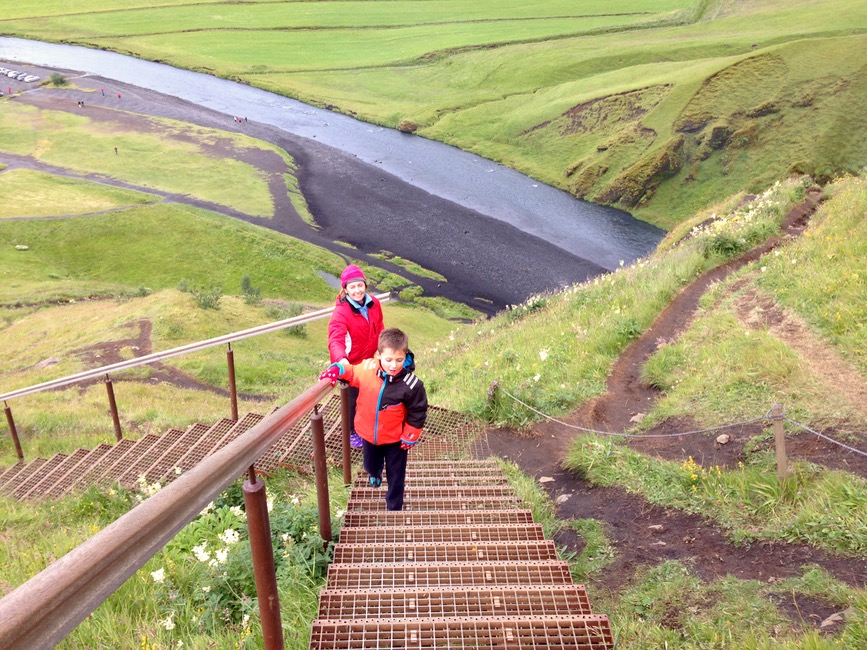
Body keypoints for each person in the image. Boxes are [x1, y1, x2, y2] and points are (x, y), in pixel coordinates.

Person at [319, 328, 427, 511]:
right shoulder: (368, 369)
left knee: (396, 472)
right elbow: (352, 373)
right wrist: (337, 369)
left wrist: (411, 434)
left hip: (395, 438)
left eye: (399, 360)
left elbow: (418, 410)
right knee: (370, 461)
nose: (393, 365)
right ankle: (374, 473)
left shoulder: (411, 384)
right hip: (368, 433)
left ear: (406, 356)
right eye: (389, 360)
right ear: (378, 355)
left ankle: (394, 505)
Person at [327, 264, 384, 448]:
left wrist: (383, 350)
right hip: (351, 365)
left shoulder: (374, 303)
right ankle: (352, 431)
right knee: (351, 401)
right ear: (345, 289)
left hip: (370, 362)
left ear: (365, 285)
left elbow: (380, 328)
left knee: (368, 395)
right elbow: (335, 339)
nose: (357, 290)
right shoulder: (341, 312)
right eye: (352, 287)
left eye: (360, 285)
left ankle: (365, 426)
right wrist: (342, 361)